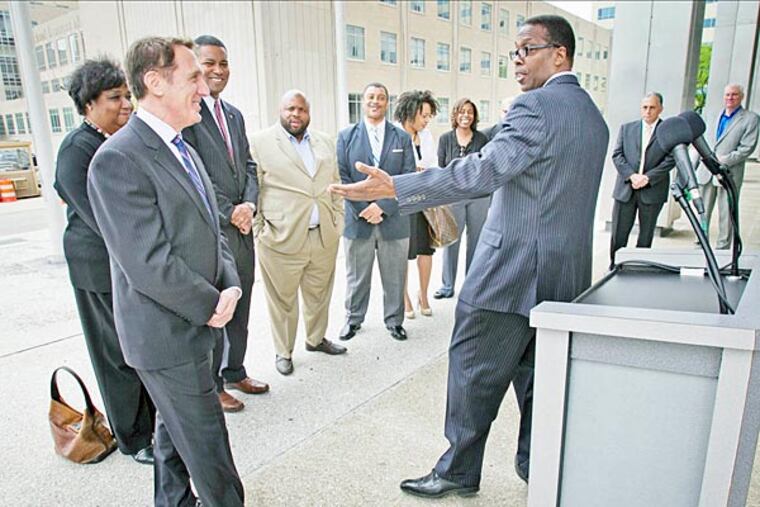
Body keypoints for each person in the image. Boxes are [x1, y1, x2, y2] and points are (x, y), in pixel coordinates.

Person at [330, 15, 608, 497]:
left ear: (559, 54)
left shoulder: (535, 107)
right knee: (539, 378)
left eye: (527, 49)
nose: (517, 60)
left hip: (510, 272)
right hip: (565, 277)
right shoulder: (591, 115)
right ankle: (535, 464)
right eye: (513, 52)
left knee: (472, 368)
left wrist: (399, 187)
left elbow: (480, 173)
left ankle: (458, 471)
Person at [88, 37, 244, 506]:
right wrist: (211, 303)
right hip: (166, 339)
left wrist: (231, 284)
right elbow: (147, 263)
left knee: (173, 442)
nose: (205, 84)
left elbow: (213, 231)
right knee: (210, 454)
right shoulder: (118, 159)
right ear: (154, 82)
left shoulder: (185, 148)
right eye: (193, 75)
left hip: (199, 328)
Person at [54, 57, 155, 465]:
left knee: (137, 348)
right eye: (114, 97)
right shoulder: (77, 150)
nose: (126, 103)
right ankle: (133, 438)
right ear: (88, 105)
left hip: (125, 264)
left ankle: (150, 422)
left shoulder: (117, 140)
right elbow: (102, 219)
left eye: (127, 95)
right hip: (98, 267)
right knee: (114, 353)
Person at [182, 35, 268, 413]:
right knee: (217, 307)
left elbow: (248, 165)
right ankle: (213, 382)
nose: (218, 70)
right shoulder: (189, 114)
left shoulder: (233, 114)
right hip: (212, 230)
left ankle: (235, 370)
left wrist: (248, 204)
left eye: (224, 63)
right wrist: (228, 211)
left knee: (242, 302)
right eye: (209, 63)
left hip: (243, 228)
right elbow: (194, 174)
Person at [249, 90, 347, 376]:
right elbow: (252, 189)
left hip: (323, 235)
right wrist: (260, 231)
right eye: (290, 109)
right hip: (280, 237)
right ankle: (284, 351)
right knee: (283, 300)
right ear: (280, 110)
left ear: (309, 112)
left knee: (319, 294)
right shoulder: (260, 142)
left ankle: (315, 339)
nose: (295, 114)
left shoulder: (326, 141)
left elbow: (336, 182)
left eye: (301, 110)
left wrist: (337, 218)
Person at [336, 82, 416, 342]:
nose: (375, 101)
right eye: (371, 96)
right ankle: (353, 319)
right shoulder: (346, 136)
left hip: (393, 219)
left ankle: (394, 321)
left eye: (381, 97)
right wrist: (364, 208)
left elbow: (408, 178)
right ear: (363, 101)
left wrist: (383, 207)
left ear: (387, 103)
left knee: (395, 276)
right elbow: (343, 177)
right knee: (357, 277)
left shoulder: (402, 137)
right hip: (358, 220)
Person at [432, 99, 490, 300]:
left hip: (478, 198)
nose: (466, 115)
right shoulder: (445, 139)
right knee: (451, 241)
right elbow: (441, 169)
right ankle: (447, 286)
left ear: (474, 117)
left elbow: (485, 168)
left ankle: (471, 286)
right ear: (455, 115)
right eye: (462, 112)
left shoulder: (482, 139)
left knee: (476, 241)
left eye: (470, 112)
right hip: (453, 197)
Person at [609, 92, 675, 267]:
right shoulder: (627, 128)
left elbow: (671, 159)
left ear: (660, 108)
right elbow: (617, 155)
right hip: (626, 189)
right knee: (619, 232)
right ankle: (615, 265)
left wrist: (647, 177)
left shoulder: (668, 131)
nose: (648, 111)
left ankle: (639, 266)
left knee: (646, 234)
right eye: (644, 107)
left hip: (652, 190)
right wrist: (632, 176)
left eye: (652, 107)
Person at [393, 90, 439, 319]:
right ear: (410, 112)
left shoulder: (427, 136)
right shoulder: (394, 135)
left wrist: (424, 169)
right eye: (424, 115)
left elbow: (433, 164)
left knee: (426, 250)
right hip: (401, 202)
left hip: (424, 200)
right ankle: (404, 297)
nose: (426, 120)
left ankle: (423, 294)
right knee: (402, 253)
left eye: (429, 115)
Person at [696, 83, 759, 249]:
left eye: (734, 95)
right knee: (702, 211)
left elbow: (747, 148)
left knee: (727, 213)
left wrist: (724, 160)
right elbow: (700, 141)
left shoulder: (750, 119)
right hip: (706, 171)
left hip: (729, 172)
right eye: (727, 95)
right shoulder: (711, 115)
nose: (730, 98)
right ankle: (700, 242)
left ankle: (722, 247)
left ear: (742, 97)